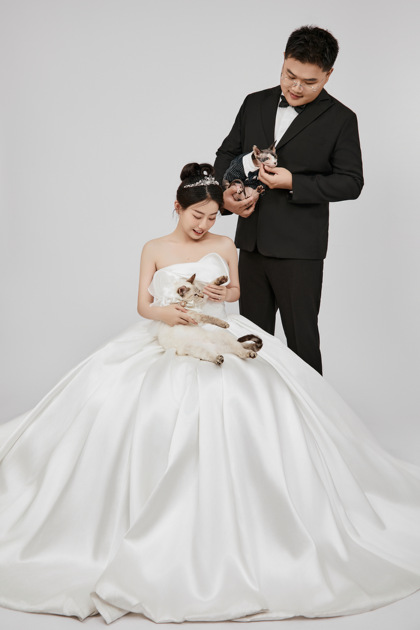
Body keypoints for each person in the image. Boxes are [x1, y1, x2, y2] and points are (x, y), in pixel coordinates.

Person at [0, 163, 419, 625]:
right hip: (169, 331)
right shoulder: (154, 247)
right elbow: (143, 304)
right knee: (129, 405)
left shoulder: (224, 244)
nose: (204, 225)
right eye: (196, 215)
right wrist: (167, 313)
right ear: (177, 208)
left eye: (212, 217)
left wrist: (221, 293)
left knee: (257, 401)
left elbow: (236, 289)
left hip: (219, 328)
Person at [214, 25, 364, 375]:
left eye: (309, 82)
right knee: (250, 342)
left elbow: (351, 182)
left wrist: (294, 182)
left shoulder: (342, 119)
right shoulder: (254, 102)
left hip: (300, 250)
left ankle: (309, 411)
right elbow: (227, 154)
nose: (296, 87)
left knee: (302, 343)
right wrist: (225, 197)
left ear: (328, 75)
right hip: (251, 243)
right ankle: (256, 408)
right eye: (289, 75)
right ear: (283, 60)